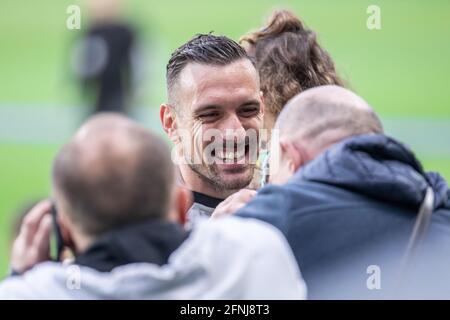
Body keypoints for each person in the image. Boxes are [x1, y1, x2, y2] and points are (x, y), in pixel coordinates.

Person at [0, 113, 305, 299]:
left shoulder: (32, 293)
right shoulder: (258, 254)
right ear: (182, 204)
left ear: (63, 229)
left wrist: (19, 275)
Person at [213, 85, 450, 298]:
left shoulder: (270, 219)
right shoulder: (439, 202)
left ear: (290, 157)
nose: (266, 184)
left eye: (268, 171)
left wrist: (219, 237)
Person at [160, 34, 264, 226]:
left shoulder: (285, 200)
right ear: (171, 123)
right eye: (210, 114)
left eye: (248, 110)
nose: (237, 132)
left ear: (262, 108)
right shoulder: (148, 223)